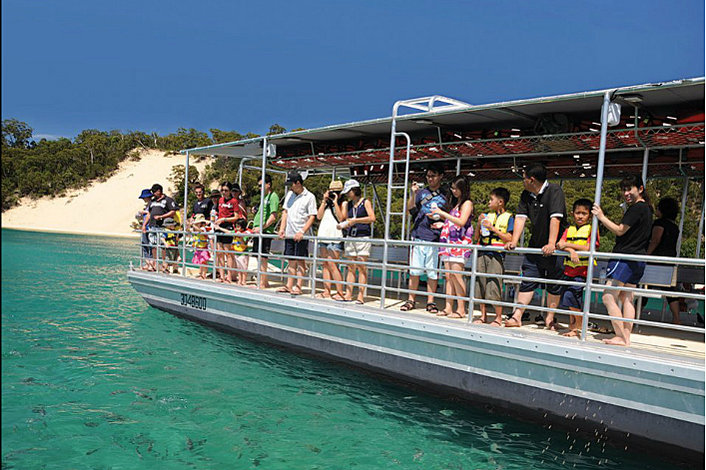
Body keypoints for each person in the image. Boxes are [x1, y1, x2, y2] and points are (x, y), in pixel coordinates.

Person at [592, 175, 653, 346]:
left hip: (625, 257)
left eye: (629, 189)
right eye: (624, 189)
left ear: (640, 189)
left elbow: (620, 230)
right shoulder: (648, 209)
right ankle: (626, 337)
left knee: (608, 296)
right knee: (627, 297)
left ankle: (620, 336)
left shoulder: (636, 208)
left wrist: (601, 216)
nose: (626, 193)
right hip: (638, 258)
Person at [504, 163, 567, 329]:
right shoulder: (526, 194)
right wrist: (514, 241)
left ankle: (550, 319)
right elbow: (520, 218)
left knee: (554, 283)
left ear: (531, 180)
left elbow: (556, 218)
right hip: (535, 245)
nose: (523, 181)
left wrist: (551, 243)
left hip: (556, 247)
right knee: (528, 280)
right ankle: (517, 316)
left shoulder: (554, 191)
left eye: (524, 178)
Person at [400, 163, 447, 313]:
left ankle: (430, 302)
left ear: (440, 176)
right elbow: (410, 209)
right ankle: (411, 300)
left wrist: (441, 220)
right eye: (428, 176)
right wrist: (413, 194)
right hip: (418, 236)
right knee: (414, 271)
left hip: (435, 238)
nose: (430, 179)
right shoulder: (421, 193)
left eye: (433, 176)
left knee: (432, 273)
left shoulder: (446, 194)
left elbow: (451, 216)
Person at [432, 176, 474, 318]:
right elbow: (454, 222)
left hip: (460, 243)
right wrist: (443, 223)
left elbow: (461, 222)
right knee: (449, 276)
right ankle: (448, 307)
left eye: (456, 188)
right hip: (449, 243)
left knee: (457, 274)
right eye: (452, 188)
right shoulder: (456, 203)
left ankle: (461, 308)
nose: (453, 191)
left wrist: (442, 213)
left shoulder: (467, 203)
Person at [555, 199, 598, 338]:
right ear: (572, 213)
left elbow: (588, 248)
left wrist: (569, 246)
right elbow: (559, 244)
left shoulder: (592, 229)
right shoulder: (569, 230)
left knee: (571, 297)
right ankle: (574, 326)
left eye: (584, 213)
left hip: (582, 271)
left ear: (589, 216)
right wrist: (571, 251)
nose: (580, 216)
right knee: (570, 300)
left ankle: (577, 327)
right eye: (577, 213)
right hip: (569, 270)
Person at [473, 187, 514, 326]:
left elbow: (509, 238)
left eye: (491, 199)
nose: (489, 202)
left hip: (497, 255)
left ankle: (498, 317)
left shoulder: (509, 217)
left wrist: (492, 229)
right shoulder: (486, 216)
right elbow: (476, 237)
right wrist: (478, 224)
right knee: (480, 284)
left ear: (500, 202)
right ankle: (483, 315)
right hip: (482, 252)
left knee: (494, 285)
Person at [277, 171, 317, 295]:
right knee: (290, 260)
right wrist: (282, 228)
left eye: (291, 184)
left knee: (301, 261)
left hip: (301, 235)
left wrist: (302, 231)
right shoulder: (290, 194)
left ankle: (298, 286)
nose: (290, 187)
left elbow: (312, 216)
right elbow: (285, 212)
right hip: (289, 233)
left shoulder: (309, 197)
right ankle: (289, 285)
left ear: (298, 183)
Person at [336, 179, 376, 304]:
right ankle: (348, 294)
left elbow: (372, 218)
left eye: (349, 192)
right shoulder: (348, 204)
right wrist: (345, 223)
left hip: (363, 237)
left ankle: (360, 295)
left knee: (362, 267)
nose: (348, 194)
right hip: (350, 237)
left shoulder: (365, 202)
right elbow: (343, 218)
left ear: (355, 190)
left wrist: (356, 220)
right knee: (350, 267)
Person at [646, 197, 682, 324]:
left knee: (645, 287)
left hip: (656, 261)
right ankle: (676, 318)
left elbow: (655, 241)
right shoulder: (674, 227)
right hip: (669, 260)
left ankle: (634, 314)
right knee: (670, 290)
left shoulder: (659, 224)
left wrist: (646, 255)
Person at [315, 180, 346, 301]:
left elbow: (341, 218)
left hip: (335, 237)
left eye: (336, 192)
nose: (333, 194)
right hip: (323, 236)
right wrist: (324, 201)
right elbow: (318, 216)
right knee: (325, 264)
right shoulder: (326, 204)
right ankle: (326, 291)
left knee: (333, 265)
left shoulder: (343, 203)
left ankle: (340, 292)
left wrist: (335, 202)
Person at [252, 174, 280, 288]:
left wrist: (261, 228)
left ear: (268, 184)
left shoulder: (273, 197)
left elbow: (273, 216)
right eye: (258, 186)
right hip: (258, 231)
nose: (259, 188)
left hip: (264, 232)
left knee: (263, 257)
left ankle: (263, 282)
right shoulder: (264, 197)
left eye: (261, 185)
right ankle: (263, 280)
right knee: (258, 256)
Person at [143, 183, 177, 273]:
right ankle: (155, 263)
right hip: (152, 226)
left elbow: (173, 211)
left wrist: (161, 217)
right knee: (153, 245)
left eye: (154, 192)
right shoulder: (153, 201)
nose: (153, 194)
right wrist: (144, 225)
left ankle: (164, 264)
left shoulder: (167, 200)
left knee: (163, 246)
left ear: (159, 191)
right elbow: (149, 214)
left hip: (162, 226)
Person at [214, 182, 239, 283]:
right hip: (219, 227)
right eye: (222, 190)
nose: (224, 192)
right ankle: (221, 276)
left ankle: (229, 276)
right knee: (219, 252)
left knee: (227, 253)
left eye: (226, 190)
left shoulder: (234, 201)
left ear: (230, 191)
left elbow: (236, 217)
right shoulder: (220, 200)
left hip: (228, 226)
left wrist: (224, 219)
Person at [191, 214, 212, 279]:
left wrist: (193, 225)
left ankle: (203, 275)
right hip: (198, 248)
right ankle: (201, 274)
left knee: (204, 262)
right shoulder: (196, 229)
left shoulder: (203, 228)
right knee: (200, 261)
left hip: (203, 248)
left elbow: (200, 231)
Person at [136, 188, 153, 270]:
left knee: (150, 245)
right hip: (145, 227)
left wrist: (144, 213)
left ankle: (151, 264)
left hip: (148, 227)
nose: (143, 199)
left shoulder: (152, 205)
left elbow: (150, 214)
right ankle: (147, 263)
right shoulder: (147, 206)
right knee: (144, 245)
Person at [232, 218, 252, 286]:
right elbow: (228, 232)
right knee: (239, 268)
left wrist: (240, 237)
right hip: (237, 253)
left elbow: (244, 243)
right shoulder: (235, 232)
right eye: (236, 226)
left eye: (238, 226)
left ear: (242, 227)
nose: (237, 228)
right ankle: (240, 280)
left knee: (244, 267)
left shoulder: (245, 234)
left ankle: (244, 280)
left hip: (243, 253)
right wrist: (219, 228)